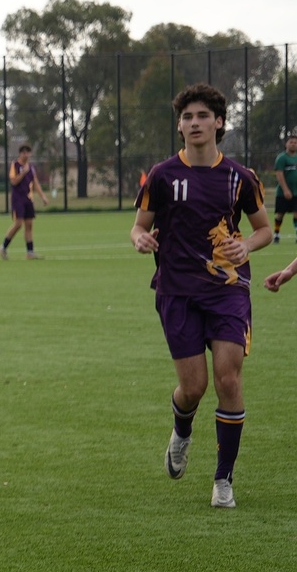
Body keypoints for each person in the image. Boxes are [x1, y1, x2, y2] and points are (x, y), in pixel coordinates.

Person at [130, 83, 270, 509]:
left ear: (219, 123)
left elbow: (263, 229)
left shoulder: (240, 178)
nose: (194, 123)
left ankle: (223, 479)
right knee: (193, 387)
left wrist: (246, 246)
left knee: (228, 378)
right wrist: (139, 239)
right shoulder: (162, 175)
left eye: (202, 116)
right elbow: (138, 225)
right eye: (187, 117)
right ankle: (182, 431)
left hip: (228, 290)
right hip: (177, 291)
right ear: (179, 125)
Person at [0, 144, 51, 259]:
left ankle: (30, 252)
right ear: (20, 154)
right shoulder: (15, 165)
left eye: (28, 152)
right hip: (18, 199)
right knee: (18, 224)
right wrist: (23, 173)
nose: (26, 154)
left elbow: (35, 183)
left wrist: (43, 196)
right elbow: (13, 181)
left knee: (29, 225)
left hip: (28, 199)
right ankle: (3, 247)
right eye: (23, 152)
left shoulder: (31, 167)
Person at [270, 135, 297, 243]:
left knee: (296, 213)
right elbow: (279, 174)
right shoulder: (282, 158)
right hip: (283, 193)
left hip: (296, 192)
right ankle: (276, 234)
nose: (293, 144)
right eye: (291, 142)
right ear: (286, 144)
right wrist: (285, 190)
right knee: (280, 214)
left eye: (295, 142)